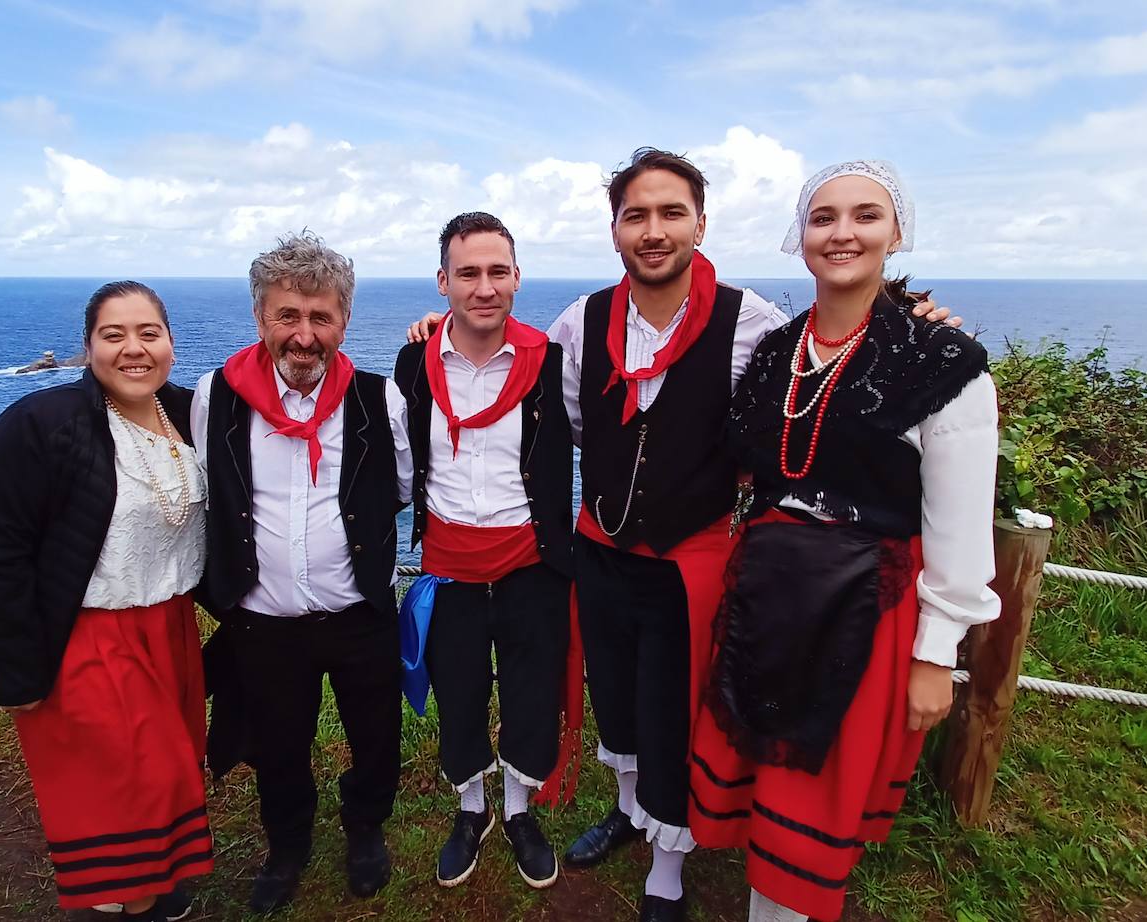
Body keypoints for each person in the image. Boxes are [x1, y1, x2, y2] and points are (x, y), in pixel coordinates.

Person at [405, 149, 959, 922]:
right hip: (600, 550)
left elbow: (824, 368)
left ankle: (670, 861)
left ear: (701, 222)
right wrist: (439, 330)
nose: (654, 230)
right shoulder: (580, 322)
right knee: (622, 706)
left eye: (672, 213)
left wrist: (911, 317)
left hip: (690, 562)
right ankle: (631, 814)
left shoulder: (755, 323)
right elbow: (554, 410)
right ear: (615, 229)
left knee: (674, 713)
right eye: (637, 214)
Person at [686, 160, 999, 922]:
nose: (843, 233)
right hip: (764, 600)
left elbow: (957, 525)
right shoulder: (775, 353)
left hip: (866, 609)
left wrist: (935, 655)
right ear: (802, 238)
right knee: (765, 781)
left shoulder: (943, 364)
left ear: (898, 233)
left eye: (865, 215)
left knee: (812, 804)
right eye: (824, 218)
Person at [0, 281, 210, 922]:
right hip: (85, 635)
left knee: (172, 771)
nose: (134, 349)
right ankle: (133, 901)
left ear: (171, 341)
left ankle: (153, 886)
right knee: (131, 783)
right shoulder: (42, 424)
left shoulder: (192, 413)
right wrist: (17, 668)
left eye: (149, 332)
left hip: (170, 626)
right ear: (87, 348)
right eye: (113, 335)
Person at [193, 231, 413, 915]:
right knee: (278, 745)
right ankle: (287, 846)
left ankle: (365, 828)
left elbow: (401, 486)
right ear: (261, 318)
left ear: (344, 321)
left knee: (376, 737)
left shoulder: (381, 401)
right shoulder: (215, 397)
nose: (305, 335)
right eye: (289, 315)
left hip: (357, 616)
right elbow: (208, 490)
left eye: (321, 317)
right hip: (263, 621)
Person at [392, 213, 575, 890]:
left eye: (498, 271)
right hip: (448, 568)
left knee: (531, 695)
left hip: (532, 566)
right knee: (460, 696)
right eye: (468, 272)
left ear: (518, 278)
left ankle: (522, 809)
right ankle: (472, 809)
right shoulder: (414, 361)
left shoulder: (553, 362)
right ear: (443, 282)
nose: (484, 286)